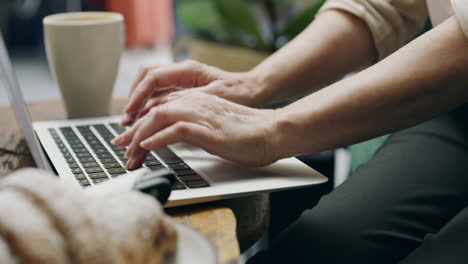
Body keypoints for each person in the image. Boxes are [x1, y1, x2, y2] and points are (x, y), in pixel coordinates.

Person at [112, 0, 468, 262]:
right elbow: (385, 5)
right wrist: (251, 85)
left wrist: (273, 129)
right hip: (456, 116)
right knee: (305, 254)